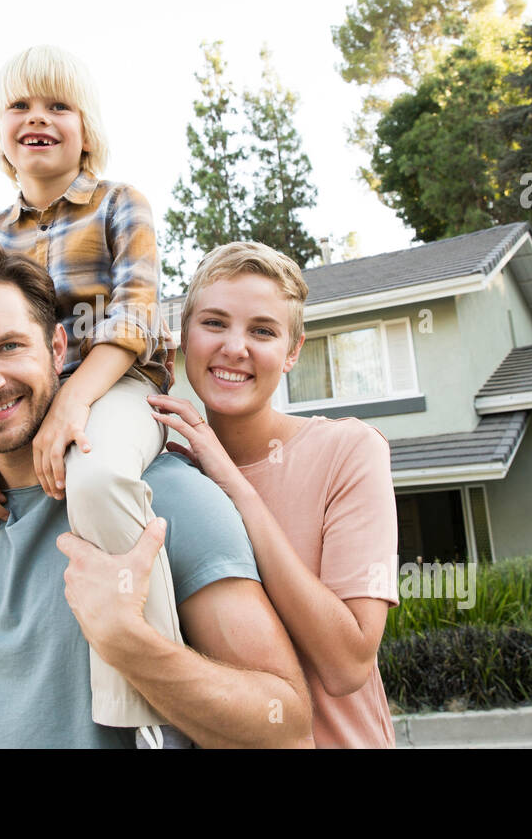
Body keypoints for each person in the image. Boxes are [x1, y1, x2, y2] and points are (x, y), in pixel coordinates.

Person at [0, 239, 313, 748]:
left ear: (56, 348)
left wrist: (131, 644)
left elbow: (286, 728)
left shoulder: (161, 500)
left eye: (8, 347)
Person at [0, 45, 188, 747]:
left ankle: (142, 713)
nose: (37, 118)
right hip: (23, 405)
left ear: (87, 129)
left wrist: (76, 402)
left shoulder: (119, 203)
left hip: (118, 387)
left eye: (57, 106)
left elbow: (138, 315)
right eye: (20, 106)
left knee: (100, 478)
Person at [146, 242, 400, 748]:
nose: (235, 347)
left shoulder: (348, 451)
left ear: (292, 352)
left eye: (262, 331)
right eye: (214, 323)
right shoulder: (162, 474)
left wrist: (232, 483)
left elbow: (348, 664)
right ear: (183, 338)